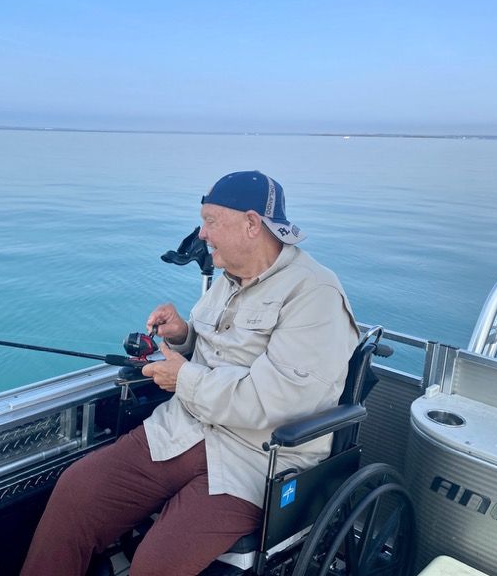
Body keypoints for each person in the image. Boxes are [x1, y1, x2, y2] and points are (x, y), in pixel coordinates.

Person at [21, 170, 359, 576]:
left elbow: (279, 401)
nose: (202, 233)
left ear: (252, 224)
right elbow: (218, 354)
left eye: (212, 220)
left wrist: (184, 378)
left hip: (254, 459)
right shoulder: (230, 276)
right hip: (183, 428)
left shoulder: (315, 294)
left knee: (156, 564)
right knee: (76, 493)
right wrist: (183, 337)